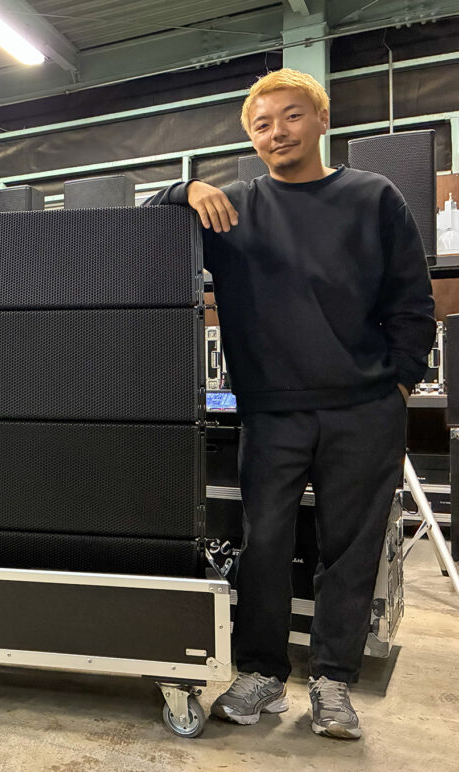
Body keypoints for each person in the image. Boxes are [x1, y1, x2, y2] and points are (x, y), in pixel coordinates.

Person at [148, 69, 434, 739]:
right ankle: (262, 675)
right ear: (251, 137)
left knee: (350, 550)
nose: (277, 132)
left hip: (364, 407)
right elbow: (144, 233)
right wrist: (184, 189)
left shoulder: (374, 197)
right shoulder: (233, 207)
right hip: (272, 410)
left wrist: (399, 384)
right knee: (265, 546)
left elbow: (413, 300)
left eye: (292, 116)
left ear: (322, 119)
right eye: (262, 124)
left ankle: (332, 681)